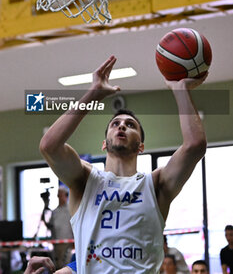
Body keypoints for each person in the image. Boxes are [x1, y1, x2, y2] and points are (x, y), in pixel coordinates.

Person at [39, 55, 207, 273]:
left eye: (130, 125)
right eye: (115, 124)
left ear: (141, 147)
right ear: (104, 144)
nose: (122, 126)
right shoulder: (85, 179)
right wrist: (94, 94)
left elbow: (195, 145)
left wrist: (180, 88)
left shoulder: (155, 185)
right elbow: (49, 146)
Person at [43, 187, 73, 270]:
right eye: (58, 195)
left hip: (67, 242)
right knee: (57, 265)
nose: (59, 197)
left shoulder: (71, 210)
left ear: (66, 196)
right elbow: (50, 226)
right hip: (56, 242)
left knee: (66, 265)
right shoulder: (55, 211)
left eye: (60, 195)